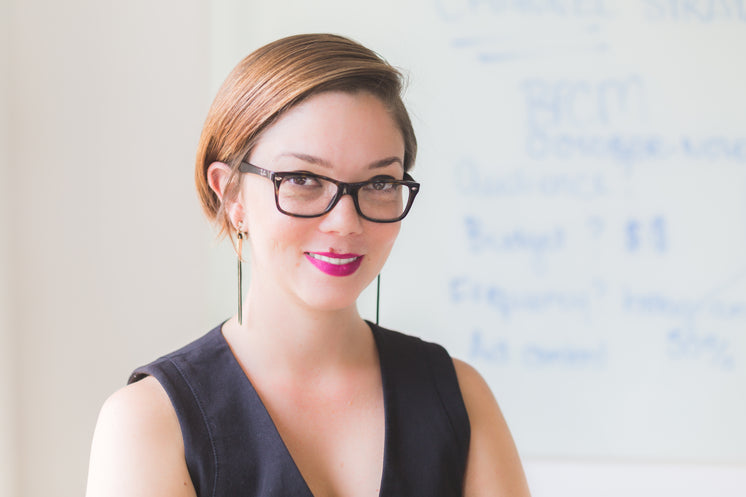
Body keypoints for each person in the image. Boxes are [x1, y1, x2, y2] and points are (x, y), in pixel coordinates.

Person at [85, 33, 531, 497]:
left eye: (380, 182)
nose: (345, 221)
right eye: (302, 179)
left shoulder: (459, 397)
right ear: (231, 193)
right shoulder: (149, 422)